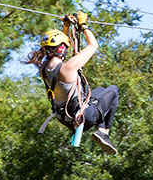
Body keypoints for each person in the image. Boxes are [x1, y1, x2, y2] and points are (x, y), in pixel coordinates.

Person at [26, 12, 119, 155]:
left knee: (100, 90)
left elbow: (64, 55)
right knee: (113, 90)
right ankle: (103, 132)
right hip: (84, 116)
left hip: (65, 117)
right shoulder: (68, 68)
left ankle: (100, 131)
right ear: (62, 49)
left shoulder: (44, 69)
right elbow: (93, 45)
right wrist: (83, 25)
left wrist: (66, 26)